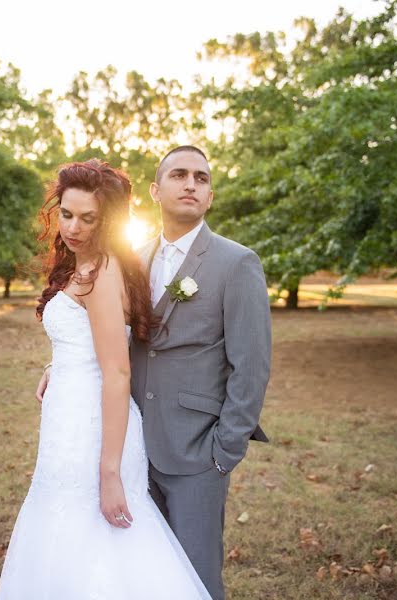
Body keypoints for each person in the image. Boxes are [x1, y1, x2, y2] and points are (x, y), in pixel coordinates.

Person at [0, 159, 211, 599]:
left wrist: (109, 472)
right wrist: (59, 365)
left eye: (87, 218)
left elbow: (116, 372)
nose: (73, 227)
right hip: (67, 426)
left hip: (96, 435)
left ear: (107, 220)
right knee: (63, 539)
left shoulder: (104, 270)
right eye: (67, 213)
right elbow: (93, 345)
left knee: (102, 545)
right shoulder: (84, 264)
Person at [129, 145, 272, 600]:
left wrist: (223, 451)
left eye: (202, 178)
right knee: (142, 575)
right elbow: (110, 337)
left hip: (197, 452)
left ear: (209, 197)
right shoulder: (132, 260)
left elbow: (251, 365)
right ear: (155, 190)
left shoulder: (236, 263)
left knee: (195, 580)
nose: (191, 184)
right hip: (132, 449)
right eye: (179, 175)